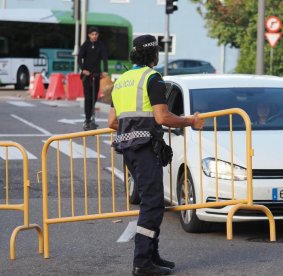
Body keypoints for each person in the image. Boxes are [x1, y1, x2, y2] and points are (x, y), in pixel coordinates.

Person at [107, 34, 204, 276]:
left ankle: (152, 255)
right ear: (154, 54)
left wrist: (132, 125)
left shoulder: (121, 81)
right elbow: (163, 117)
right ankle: (142, 262)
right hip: (145, 148)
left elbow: (111, 122)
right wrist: (190, 121)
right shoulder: (152, 78)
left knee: (151, 202)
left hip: (128, 148)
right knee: (152, 204)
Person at [78, 26, 108, 131]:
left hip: (96, 75)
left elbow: (104, 58)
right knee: (88, 98)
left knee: (94, 97)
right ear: (89, 35)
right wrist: (83, 69)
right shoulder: (85, 45)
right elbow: (79, 58)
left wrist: (105, 70)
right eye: (92, 34)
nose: (94, 36)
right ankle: (87, 119)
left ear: (98, 35)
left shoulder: (100, 45)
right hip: (87, 76)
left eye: (96, 34)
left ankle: (92, 118)